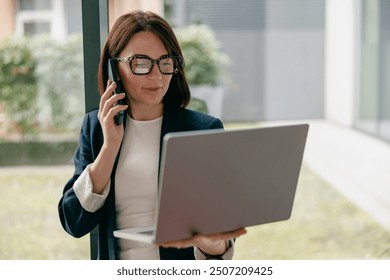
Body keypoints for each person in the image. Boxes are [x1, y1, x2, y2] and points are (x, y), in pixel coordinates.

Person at [58, 10, 246, 260]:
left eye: (165, 62)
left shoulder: (202, 130)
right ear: (115, 67)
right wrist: (109, 148)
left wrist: (213, 245)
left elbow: (221, 243)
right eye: (141, 63)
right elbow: (73, 222)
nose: (156, 76)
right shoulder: (96, 127)